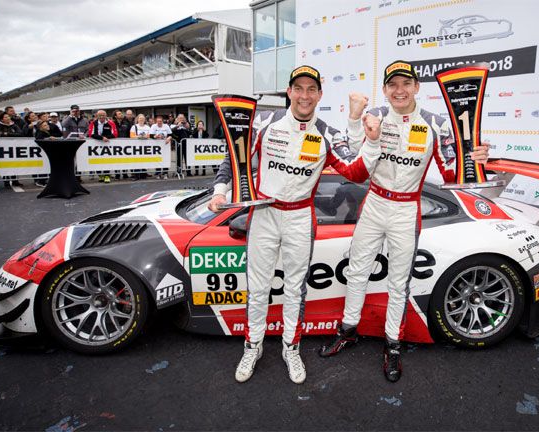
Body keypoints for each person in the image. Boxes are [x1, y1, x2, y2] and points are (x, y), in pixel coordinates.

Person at [207, 65, 382, 384]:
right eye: (298, 88)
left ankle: (291, 348)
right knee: (258, 288)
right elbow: (233, 158)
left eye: (311, 89)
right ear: (288, 92)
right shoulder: (263, 121)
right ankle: (253, 345)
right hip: (264, 214)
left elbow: (356, 173)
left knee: (294, 289)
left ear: (319, 95)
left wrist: (369, 140)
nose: (304, 95)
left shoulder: (328, 133)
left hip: (300, 217)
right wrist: (221, 192)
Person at [318, 60, 490, 382]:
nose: (399, 90)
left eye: (405, 83)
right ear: (384, 89)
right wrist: (355, 120)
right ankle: (348, 329)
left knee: (398, 282)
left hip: (407, 210)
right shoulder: (377, 117)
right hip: (375, 203)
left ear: (416, 87)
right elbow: (355, 158)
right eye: (392, 84)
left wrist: (476, 160)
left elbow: (454, 173)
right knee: (357, 272)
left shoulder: (435, 124)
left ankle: (393, 343)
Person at [87, 110, 118, 183]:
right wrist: (102, 138)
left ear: (106, 115)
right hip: (96, 145)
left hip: (107, 145)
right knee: (97, 161)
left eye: (103, 115)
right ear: (97, 116)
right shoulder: (93, 123)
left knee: (106, 161)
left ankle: (107, 176)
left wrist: (106, 138)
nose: (102, 116)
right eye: (100, 115)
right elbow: (91, 134)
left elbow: (115, 134)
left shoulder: (111, 123)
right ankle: (100, 175)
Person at [149, 115, 172, 180]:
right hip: (157, 146)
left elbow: (170, 134)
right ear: (156, 121)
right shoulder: (154, 126)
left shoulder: (166, 126)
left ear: (162, 121)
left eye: (160, 121)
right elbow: (150, 135)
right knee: (158, 159)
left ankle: (165, 173)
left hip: (165, 145)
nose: (159, 122)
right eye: (158, 121)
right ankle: (158, 173)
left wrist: (169, 138)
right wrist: (155, 136)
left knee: (165, 159)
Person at [130, 114, 151, 180]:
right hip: (136, 146)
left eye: (143, 118)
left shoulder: (147, 127)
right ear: (137, 119)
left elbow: (150, 135)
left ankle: (143, 173)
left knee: (144, 159)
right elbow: (131, 136)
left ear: (145, 120)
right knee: (136, 160)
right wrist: (139, 137)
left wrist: (146, 136)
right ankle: (136, 174)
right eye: (140, 118)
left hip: (145, 146)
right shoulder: (134, 126)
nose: (141, 119)